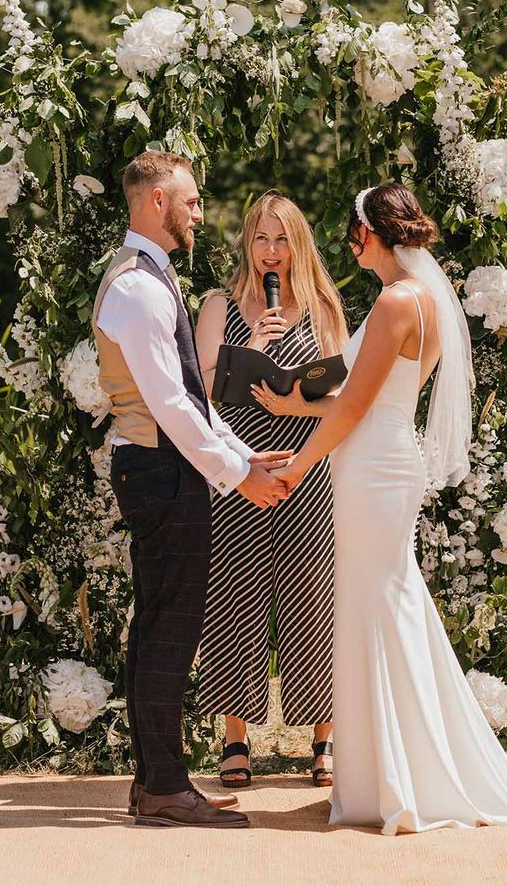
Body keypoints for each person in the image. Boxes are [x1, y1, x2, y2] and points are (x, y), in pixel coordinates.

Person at [273, 182, 507, 834]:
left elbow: (353, 406)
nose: (351, 247)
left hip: (372, 469)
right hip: (384, 461)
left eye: (354, 235)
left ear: (371, 234)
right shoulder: (428, 299)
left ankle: (402, 777)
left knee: (380, 605)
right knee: (382, 603)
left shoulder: (393, 301)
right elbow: (357, 393)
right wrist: (283, 400)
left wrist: (296, 462)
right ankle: (395, 771)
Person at [92, 152, 291, 829]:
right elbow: (173, 406)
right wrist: (239, 476)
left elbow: (190, 398)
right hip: (158, 469)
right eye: (191, 200)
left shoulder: (148, 276)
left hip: (159, 465)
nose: (200, 213)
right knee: (169, 631)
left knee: (157, 628)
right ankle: (167, 788)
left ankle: (155, 783)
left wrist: (242, 452)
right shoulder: (139, 286)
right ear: (155, 202)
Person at [196, 192, 348, 788]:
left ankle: (323, 740)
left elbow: (346, 395)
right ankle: (236, 741)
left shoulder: (324, 309)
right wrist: (254, 346)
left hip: (308, 473)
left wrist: (298, 399)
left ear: (298, 245)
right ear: (247, 244)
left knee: (313, 601)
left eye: (282, 240)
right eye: (261, 238)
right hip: (241, 473)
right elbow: (200, 392)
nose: (271, 251)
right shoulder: (218, 305)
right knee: (235, 601)